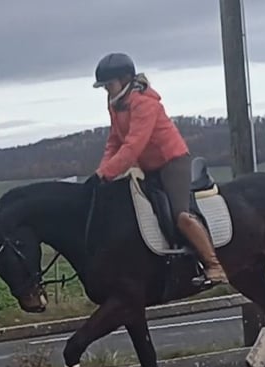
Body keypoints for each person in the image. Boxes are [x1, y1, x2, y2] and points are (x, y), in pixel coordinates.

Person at [84, 52, 228, 285]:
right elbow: (114, 142)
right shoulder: (116, 104)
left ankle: (214, 265)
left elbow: (133, 146)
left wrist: (107, 173)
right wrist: (100, 174)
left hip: (172, 162)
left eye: (108, 85)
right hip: (149, 167)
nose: (106, 90)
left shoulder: (144, 103)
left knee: (180, 214)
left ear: (125, 79)